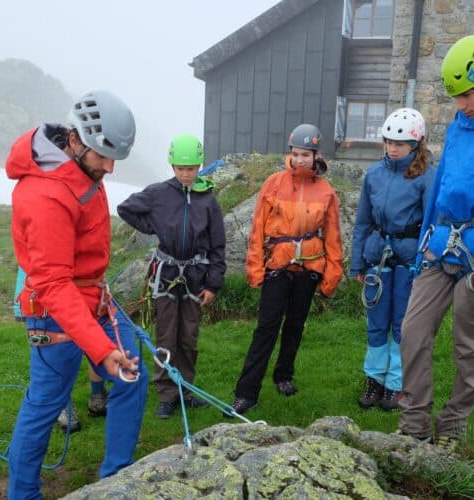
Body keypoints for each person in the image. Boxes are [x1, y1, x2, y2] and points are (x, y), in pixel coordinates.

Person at [6, 89, 149, 498]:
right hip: (54, 312)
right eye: (102, 156)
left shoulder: (83, 167)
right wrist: (102, 350)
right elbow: (52, 282)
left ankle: (116, 480)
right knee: (46, 404)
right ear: (74, 139)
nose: (109, 167)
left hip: (92, 299)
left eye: (114, 158)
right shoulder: (45, 194)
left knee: (132, 372)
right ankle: (22, 493)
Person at [228, 124, 344, 415]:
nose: (300, 159)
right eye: (296, 153)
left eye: (306, 154)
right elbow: (257, 229)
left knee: (294, 326)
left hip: (309, 268)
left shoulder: (326, 191)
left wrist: (332, 276)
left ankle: (284, 376)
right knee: (266, 328)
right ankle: (246, 393)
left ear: (316, 154)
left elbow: (333, 236)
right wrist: (255, 269)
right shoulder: (274, 183)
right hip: (277, 266)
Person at [397, 34, 474, 450]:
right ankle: (414, 423)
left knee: (468, 347)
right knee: (412, 331)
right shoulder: (461, 127)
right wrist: (428, 236)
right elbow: (443, 184)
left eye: (466, 95)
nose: (460, 104)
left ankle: (453, 425)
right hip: (441, 242)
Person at [117, 134, 226, 419]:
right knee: (166, 335)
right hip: (166, 275)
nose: (186, 174)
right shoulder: (158, 193)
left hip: (195, 276)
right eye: (180, 168)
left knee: (188, 337)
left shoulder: (208, 200)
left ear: (199, 166)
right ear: (173, 165)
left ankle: (185, 390)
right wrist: (155, 226)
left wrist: (213, 283)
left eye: (191, 168)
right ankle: (166, 393)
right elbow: (126, 209)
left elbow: (217, 245)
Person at [350, 108, 436, 411]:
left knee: (402, 323)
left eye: (399, 144)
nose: (392, 148)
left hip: (409, 259)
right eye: (388, 142)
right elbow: (362, 222)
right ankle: (374, 379)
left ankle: (395, 384)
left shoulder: (426, 177)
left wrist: (426, 263)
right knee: (377, 321)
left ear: (416, 144)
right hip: (378, 256)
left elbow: (431, 223)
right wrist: (357, 263)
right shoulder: (374, 174)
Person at [15, 266, 108, 433]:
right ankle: (64, 405)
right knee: (58, 356)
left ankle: (98, 396)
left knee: (96, 344)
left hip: (87, 291)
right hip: (49, 300)